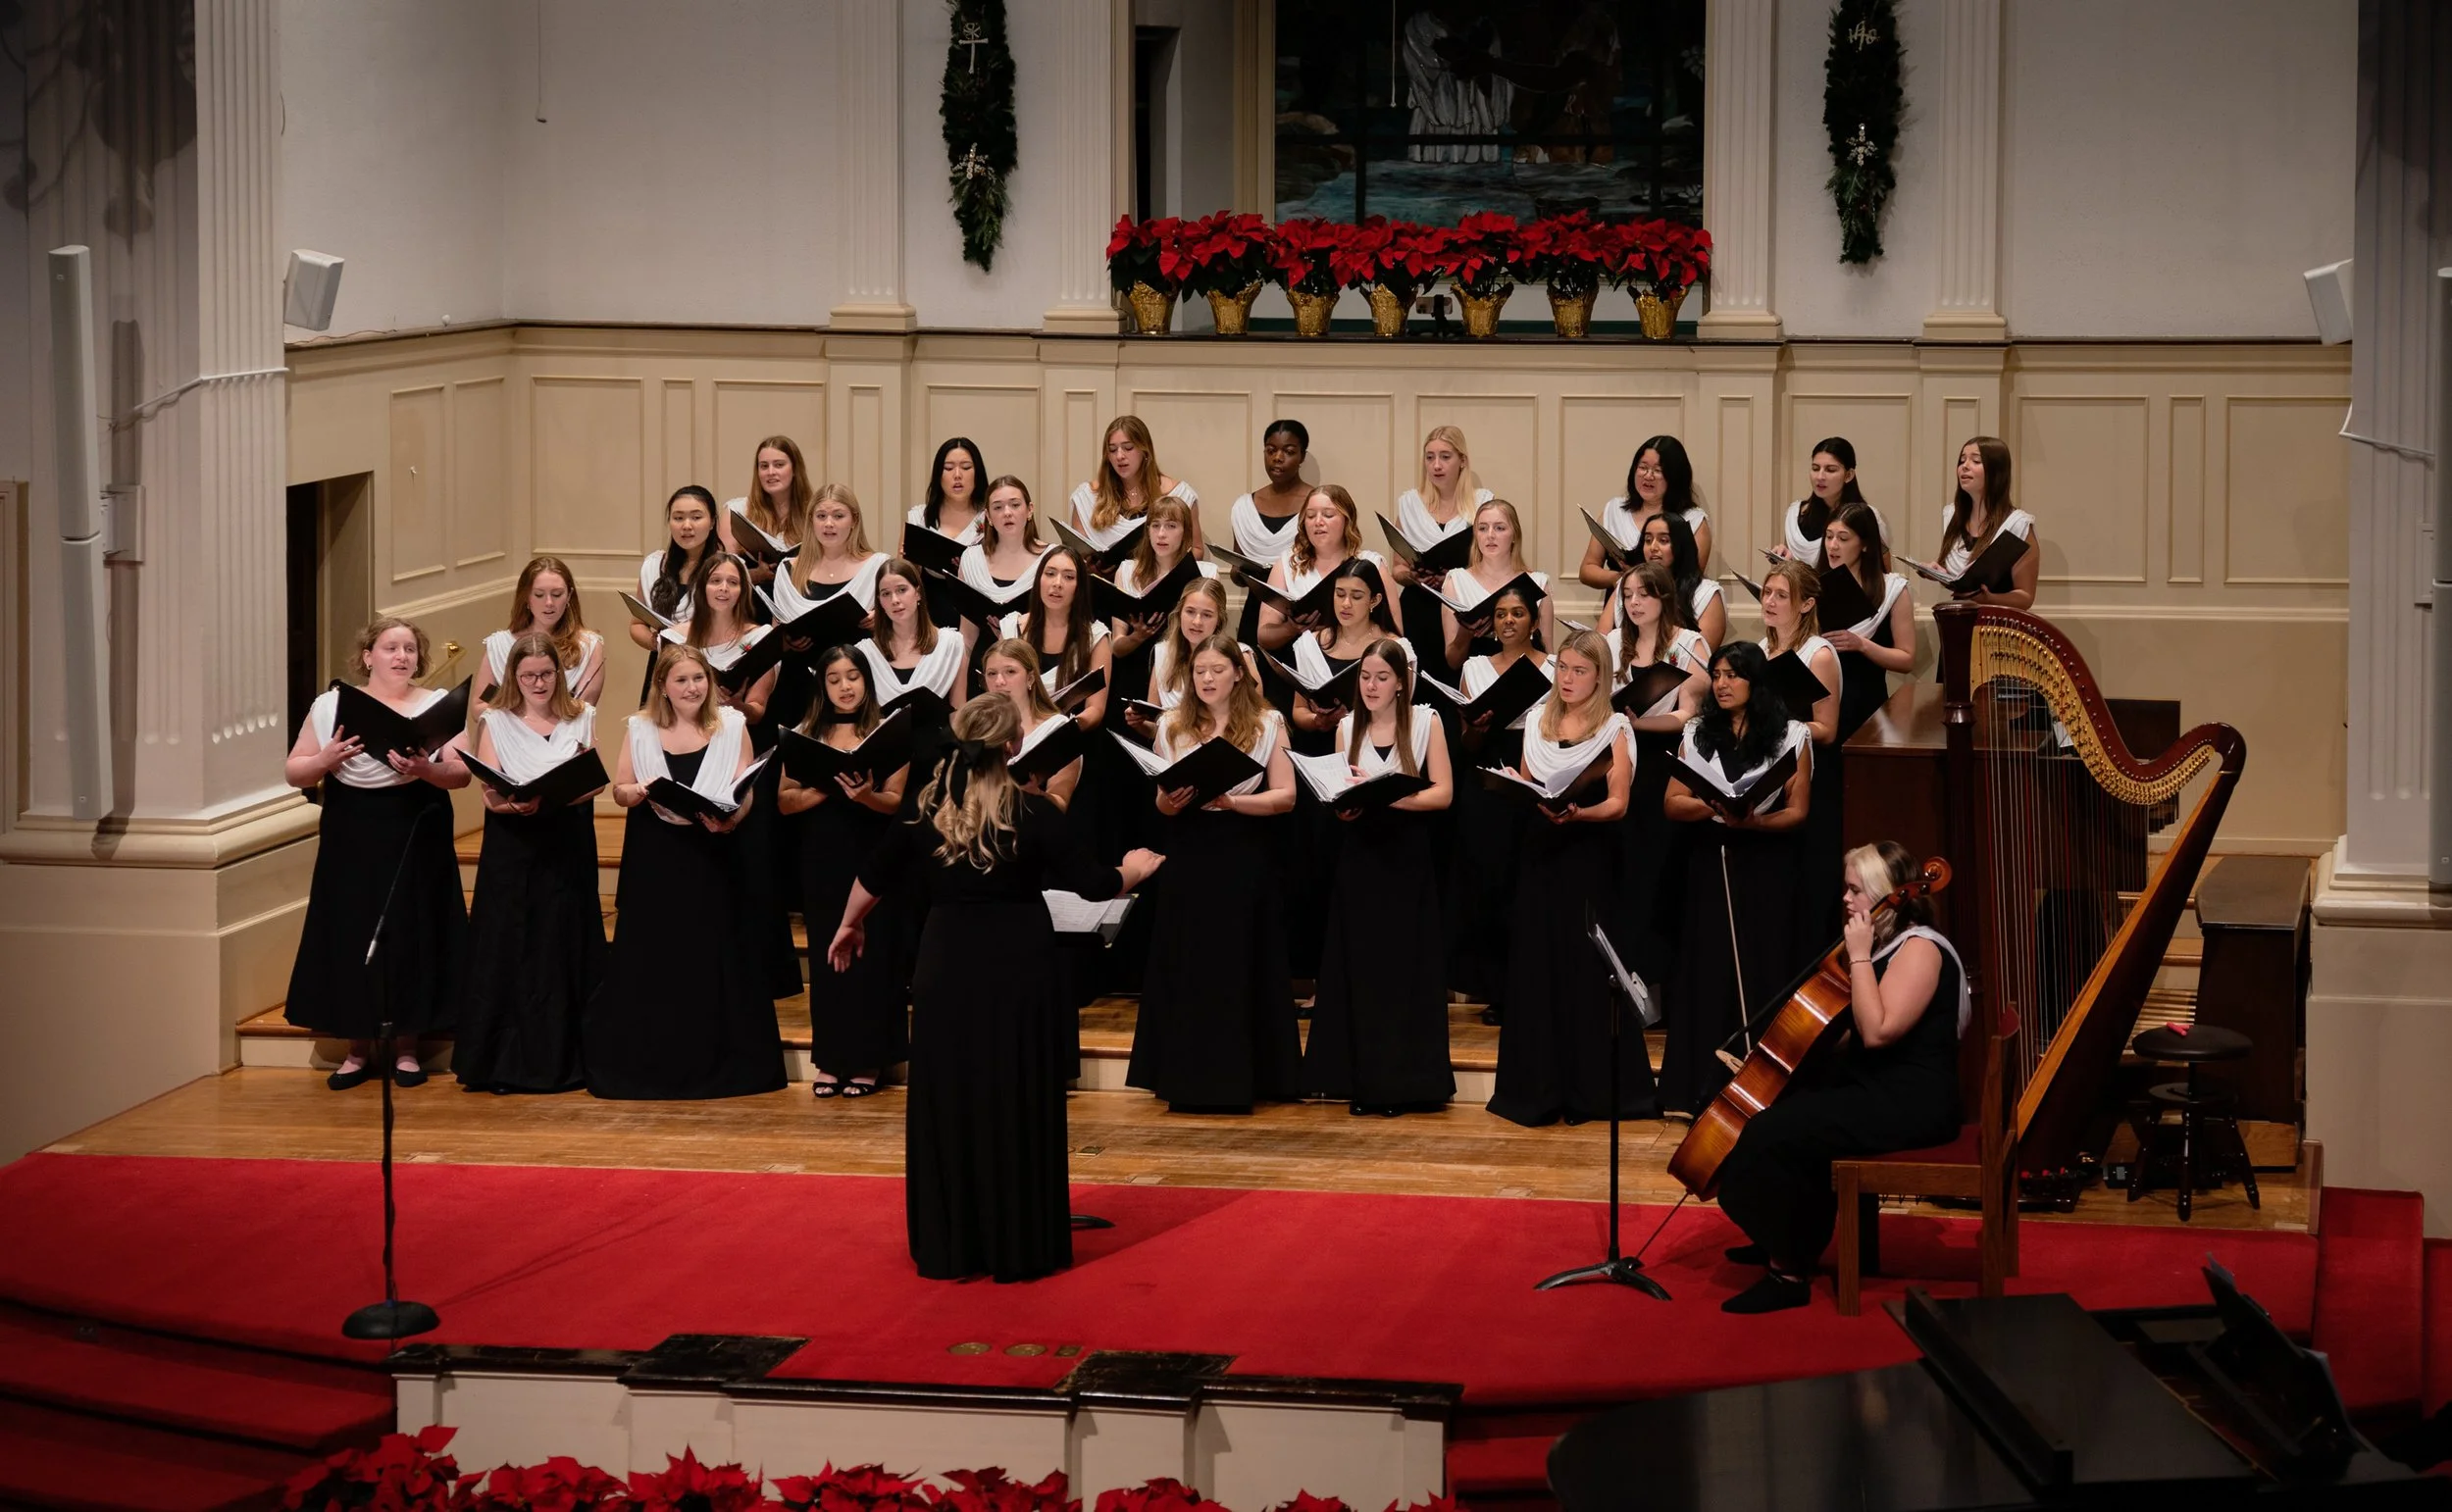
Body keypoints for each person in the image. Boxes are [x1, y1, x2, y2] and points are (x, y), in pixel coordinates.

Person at [829, 696, 1165, 1283]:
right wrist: (1135, 867)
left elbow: (872, 875)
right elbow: (1096, 884)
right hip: (1018, 966)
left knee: (951, 1095)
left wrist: (848, 925)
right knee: (1015, 1092)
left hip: (946, 964)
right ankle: (1018, 1239)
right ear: (1014, 746)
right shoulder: (1030, 812)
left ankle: (953, 1242)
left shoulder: (926, 807)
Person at [1713, 839, 1967, 1314]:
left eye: (1856, 890)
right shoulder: (1890, 944)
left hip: (1914, 1104)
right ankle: (1787, 1238)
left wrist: (1857, 956)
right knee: (1787, 1112)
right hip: (1884, 1091)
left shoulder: (1919, 950)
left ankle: (1788, 1269)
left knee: (1771, 1133)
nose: (1846, 899)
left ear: (1887, 894)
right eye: (1845, 889)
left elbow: (1877, 1032)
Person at [586, 644, 788, 1100]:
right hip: (657, 856)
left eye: (698, 678)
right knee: (657, 954)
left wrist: (732, 818)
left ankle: (724, 1066)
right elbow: (619, 789)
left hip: (713, 848)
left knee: (714, 950)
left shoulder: (731, 725)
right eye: (681, 680)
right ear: (663, 686)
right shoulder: (640, 728)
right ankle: (652, 1065)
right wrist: (635, 791)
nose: (692, 687)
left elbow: (745, 785)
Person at [282, 617, 470, 1090]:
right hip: (353, 826)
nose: (401, 656)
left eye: (409, 649)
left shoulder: (435, 706)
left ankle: (408, 1047)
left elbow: (463, 774)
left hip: (415, 822)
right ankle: (357, 1047)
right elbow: (295, 770)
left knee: (412, 926)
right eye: (390, 647)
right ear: (368, 656)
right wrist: (325, 761)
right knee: (352, 927)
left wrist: (426, 769)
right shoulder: (330, 706)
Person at [1487, 630, 1657, 1128]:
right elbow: (1523, 777)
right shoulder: (1537, 719)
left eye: (1580, 671)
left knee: (1586, 968)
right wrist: (1521, 789)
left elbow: (1620, 802)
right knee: (1538, 964)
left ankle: (1593, 1092)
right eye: (1563, 668)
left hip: (1588, 856)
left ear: (1600, 677)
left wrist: (1578, 814)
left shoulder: (1615, 729)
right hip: (1541, 852)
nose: (1567, 678)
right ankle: (1535, 1090)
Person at [1130, 634, 1303, 1112]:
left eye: (1216, 670)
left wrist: (1233, 801)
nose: (1206, 679)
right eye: (1199, 671)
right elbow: (1160, 803)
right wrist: (1170, 800)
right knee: (1189, 958)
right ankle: (1184, 1074)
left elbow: (1286, 796)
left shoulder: (1267, 723)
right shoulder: (1171, 724)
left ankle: (1250, 1075)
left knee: (1239, 959)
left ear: (1237, 674)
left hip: (1242, 851)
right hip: (1190, 853)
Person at [1303, 637, 1457, 1115]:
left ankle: (1403, 1084)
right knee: (1363, 970)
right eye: (1365, 676)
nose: (1371, 686)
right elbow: (1337, 791)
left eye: (1382, 677)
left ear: (1400, 684)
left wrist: (1393, 798)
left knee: (1402, 969)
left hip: (1406, 856)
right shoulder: (1346, 727)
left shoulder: (1427, 722)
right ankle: (1364, 1082)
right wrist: (1345, 808)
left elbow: (1444, 793)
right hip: (1361, 855)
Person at [1659, 642, 1814, 1119]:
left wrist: (1754, 823)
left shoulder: (1791, 735)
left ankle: (1763, 1091)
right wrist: (1716, 807)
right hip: (1712, 859)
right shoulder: (1698, 732)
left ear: (1756, 682)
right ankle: (1692, 1091)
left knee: (1762, 964)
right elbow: (1672, 801)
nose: (1722, 684)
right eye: (1717, 674)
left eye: (1733, 675)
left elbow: (1798, 810)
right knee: (1708, 968)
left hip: (1767, 864)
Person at [452, 631, 605, 1094]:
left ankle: (571, 1059)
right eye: (527, 675)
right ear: (512, 677)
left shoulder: (582, 716)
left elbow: (595, 781)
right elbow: (489, 789)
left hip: (566, 840)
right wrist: (510, 805)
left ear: (558, 674)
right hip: (514, 844)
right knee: (511, 942)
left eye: (545, 674)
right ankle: (507, 1062)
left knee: (565, 939)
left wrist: (563, 794)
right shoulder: (496, 721)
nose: (538, 683)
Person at [780, 646, 909, 1098]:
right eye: (834, 679)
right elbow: (784, 800)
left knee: (872, 956)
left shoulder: (886, 731)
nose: (845, 686)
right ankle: (831, 1059)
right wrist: (826, 789)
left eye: (853, 676)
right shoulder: (805, 734)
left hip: (873, 855)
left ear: (867, 680)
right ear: (822, 686)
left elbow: (895, 802)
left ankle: (869, 1059)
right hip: (822, 857)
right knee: (826, 954)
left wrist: (864, 797)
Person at [666, 551, 796, 999]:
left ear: (743, 590)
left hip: (737, 753)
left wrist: (735, 702)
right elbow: (657, 705)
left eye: (733, 582)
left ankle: (749, 971)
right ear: (701, 587)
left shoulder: (760, 637)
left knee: (749, 867)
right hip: (684, 757)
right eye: (715, 580)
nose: (724, 588)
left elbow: (759, 710)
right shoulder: (676, 638)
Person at [1446, 582, 1553, 1028]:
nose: (1509, 621)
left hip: (1537, 772)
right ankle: (1495, 989)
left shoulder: (1554, 667)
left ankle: (1533, 987)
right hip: (1488, 774)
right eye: (1502, 614)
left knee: (1528, 883)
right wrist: (1478, 725)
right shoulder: (1474, 667)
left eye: (1518, 613)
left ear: (1533, 621)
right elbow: (1467, 741)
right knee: (1488, 880)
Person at [1609, 562, 1711, 983]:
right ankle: (1623, 975)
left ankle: (1662, 978)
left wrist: (1640, 723)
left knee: (1662, 869)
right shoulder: (1613, 643)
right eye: (1628, 595)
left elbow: (1688, 714)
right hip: (1621, 761)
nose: (1634, 602)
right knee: (1624, 869)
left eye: (1643, 594)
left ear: (1664, 598)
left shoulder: (1689, 644)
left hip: (1666, 760)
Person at [1761, 560, 1847, 944]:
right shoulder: (1761, 649)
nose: (1771, 601)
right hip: (1766, 771)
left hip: (1808, 773)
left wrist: (1781, 726)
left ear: (1806, 605)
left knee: (1805, 883)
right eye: (1767, 593)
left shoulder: (1819, 654)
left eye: (1782, 595)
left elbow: (1827, 729)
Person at [861, 555, 971, 812]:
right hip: (886, 761)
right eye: (886, 594)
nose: (895, 600)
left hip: (935, 759)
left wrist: (961, 765)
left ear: (918, 593)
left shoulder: (951, 644)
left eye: (902, 590)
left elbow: (958, 712)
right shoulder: (866, 653)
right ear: (879, 602)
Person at [1385, 426, 1494, 668]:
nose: (1436, 465)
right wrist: (1414, 577)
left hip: (1466, 608)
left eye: (1445, 457)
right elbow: (1397, 569)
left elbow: (1495, 563)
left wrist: (1457, 578)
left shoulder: (1482, 504)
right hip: (1420, 608)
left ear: (1462, 461)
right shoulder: (1410, 505)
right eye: (1430, 457)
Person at [1107, 494, 1218, 710]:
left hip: (1181, 676)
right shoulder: (1127, 571)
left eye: (1171, 526)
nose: (1161, 534)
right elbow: (1117, 647)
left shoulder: (1205, 574)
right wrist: (1138, 636)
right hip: (1134, 670)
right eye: (1155, 525)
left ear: (1185, 531)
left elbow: (1212, 642)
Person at [1819, 501, 1915, 738]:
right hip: (1821, 704)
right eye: (1829, 536)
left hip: (1866, 705)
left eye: (1843, 538)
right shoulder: (1814, 586)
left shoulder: (1893, 589)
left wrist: (1861, 645)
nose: (1832, 545)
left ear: (1864, 545)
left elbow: (1906, 659)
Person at [1255, 484, 1384, 652]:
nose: (1318, 522)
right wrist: (1291, 628)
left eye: (1328, 515)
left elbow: (1394, 633)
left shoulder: (1371, 563)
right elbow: (1264, 636)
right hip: (1302, 662)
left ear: (1347, 519)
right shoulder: (1288, 563)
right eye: (1310, 516)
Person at [1577, 435, 1714, 588]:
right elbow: (1587, 569)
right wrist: (1620, 578)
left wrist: (1644, 582)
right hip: (1620, 602)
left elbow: (1692, 580)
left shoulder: (1693, 520)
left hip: (1672, 606)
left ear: (1675, 477)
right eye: (1643, 468)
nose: (1648, 476)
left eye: (1657, 470)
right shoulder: (1614, 510)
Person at [470, 556, 605, 707]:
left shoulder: (588, 646)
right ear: (526, 597)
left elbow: (584, 711)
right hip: (507, 730)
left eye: (557, 594)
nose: (549, 603)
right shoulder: (500, 645)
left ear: (569, 595)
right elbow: (480, 705)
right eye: (539, 595)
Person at [1438, 498, 1554, 671]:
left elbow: (1547, 652)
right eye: (1483, 528)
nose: (1490, 535)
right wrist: (1467, 632)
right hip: (1478, 680)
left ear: (1514, 534)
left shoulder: (1537, 583)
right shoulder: (1456, 581)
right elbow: (1453, 661)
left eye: (1499, 528)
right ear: (1476, 535)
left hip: (1527, 679)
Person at [1230, 421, 1315, 648]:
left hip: (1302, 615)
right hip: (1255, 609)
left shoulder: (1316, 504)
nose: (1278, 457)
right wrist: (1242, 572)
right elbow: (1236, 572)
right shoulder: (1245, 507)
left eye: (1288, 451)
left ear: (1302, 456)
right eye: (1271, 450)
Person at [1071, 415, 1200, 561]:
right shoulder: (1087, 497)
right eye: (1112, 450)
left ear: (1145, 450)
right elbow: (1077, 556)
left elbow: (1196, 550)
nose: (1119, 456)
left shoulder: (1178, 495)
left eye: (1128, 448)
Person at [1928, 436, 2037, 610]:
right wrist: (1939, 573)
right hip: (1956, 622)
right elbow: (1960, 580)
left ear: (1996, 471)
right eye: (1962, 460)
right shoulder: (1951, 515)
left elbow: (2025, 596)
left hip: (1998, 627)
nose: (1965, 466)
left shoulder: (2017, 524)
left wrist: (1990, 598)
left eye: (1976, 461)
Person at [630, 485, 719, 699]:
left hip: (709, 666)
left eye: (696, 517)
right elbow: (636, 624)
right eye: (678, 518)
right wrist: (657, 642)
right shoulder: (654, 565)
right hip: (663, 665)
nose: (686, 526)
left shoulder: (725, 567)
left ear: (713, 522)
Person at [983, 639, 1083, 810]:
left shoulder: (1057, 729)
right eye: (991, 673)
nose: (999, 681)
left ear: (1030, 678)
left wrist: (1036, 794)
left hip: (1033, 825)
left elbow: (1061, 802)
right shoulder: (979, 725)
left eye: (1010, 671)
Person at [910, 436, 990, 625]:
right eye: (948, 468)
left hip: (978, 612)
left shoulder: (990, 516)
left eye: (966, 467)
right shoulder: (920, 517)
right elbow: (906, 576)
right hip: (931, 617)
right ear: (939, 475)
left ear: (977, 473)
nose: (957, 475)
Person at [720, 434, 813, 584]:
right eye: (764, 466)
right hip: (751, 601)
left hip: (801, 599)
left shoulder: (814, 513)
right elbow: (722, 572)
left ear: (795, 469)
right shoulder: (736, 511)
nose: (770, 472)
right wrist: (755, 575)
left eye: (779, 465)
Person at [957, 475, 1051, 621]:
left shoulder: (1051, 558)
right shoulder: (971, 559)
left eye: (1015, 505)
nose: (1007, 513)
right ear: (988, 516)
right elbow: (968, 633)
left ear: (1030, 510)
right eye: (998, 507)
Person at [1773, 437, 1876, 568]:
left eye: (1830, 470)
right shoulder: (1795, 513)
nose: (1820, 477)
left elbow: (1878, 576)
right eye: (1815, 468)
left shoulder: (1866, 516)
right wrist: (1785, 556)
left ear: (1849, 475)